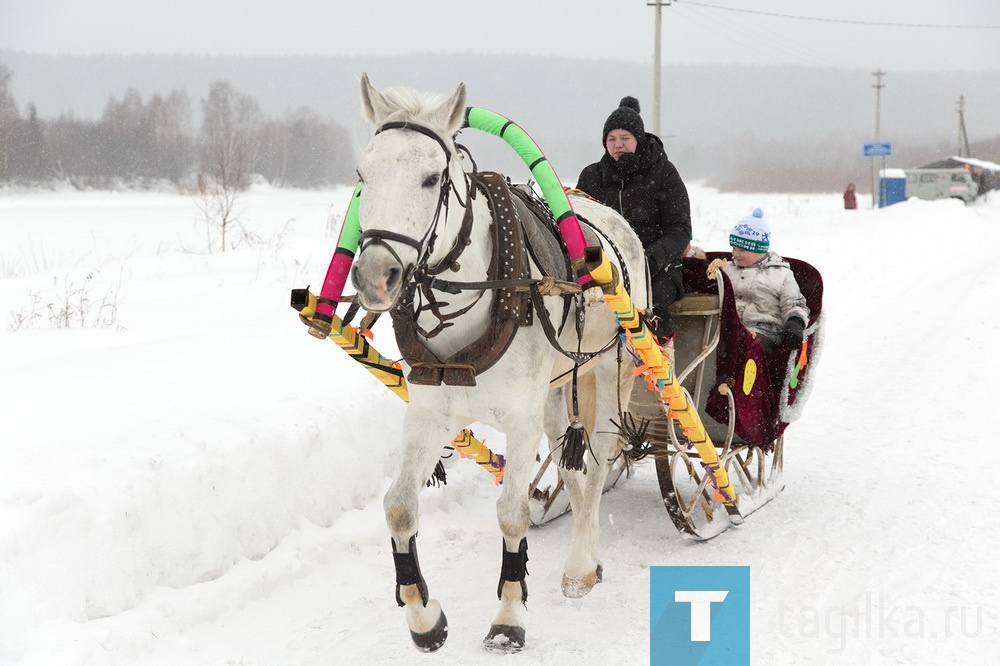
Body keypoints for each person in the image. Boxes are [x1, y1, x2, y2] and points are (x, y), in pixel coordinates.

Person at [576, 96, 692, 358]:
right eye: (611, 139)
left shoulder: (664, 173)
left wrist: (645, 260)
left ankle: (659, 362)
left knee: (650, 307)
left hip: (657, 268)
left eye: (625, 137)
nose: (618, 145)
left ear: (638, 139)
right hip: (604, 267)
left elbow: (680, 229)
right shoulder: (591, 176)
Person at [722, 208, 809, 352]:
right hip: (729, 327)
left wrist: (795, 322)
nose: (735, 254)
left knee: (745, 347)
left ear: (759, 249)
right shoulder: (726, 269)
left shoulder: (781, 274)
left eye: (741, 250)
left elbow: (794, 303)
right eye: (733, 248)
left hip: (765, 330)